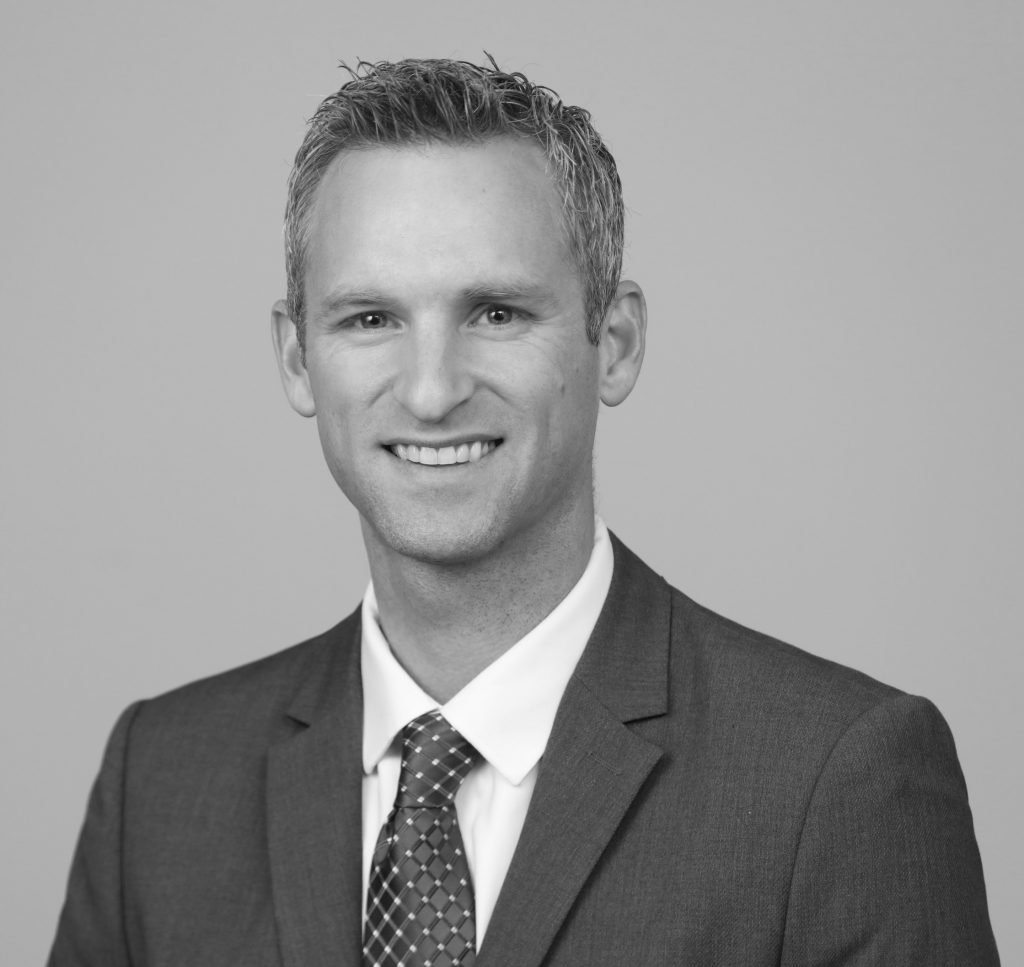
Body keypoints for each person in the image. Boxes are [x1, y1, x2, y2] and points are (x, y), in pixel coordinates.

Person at [49, 57, 1000, 967]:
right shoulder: (160, 782)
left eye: (496, 312)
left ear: (616, 342)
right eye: (370, 318)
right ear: (299, 359)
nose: (430, 391)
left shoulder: (836, 781)